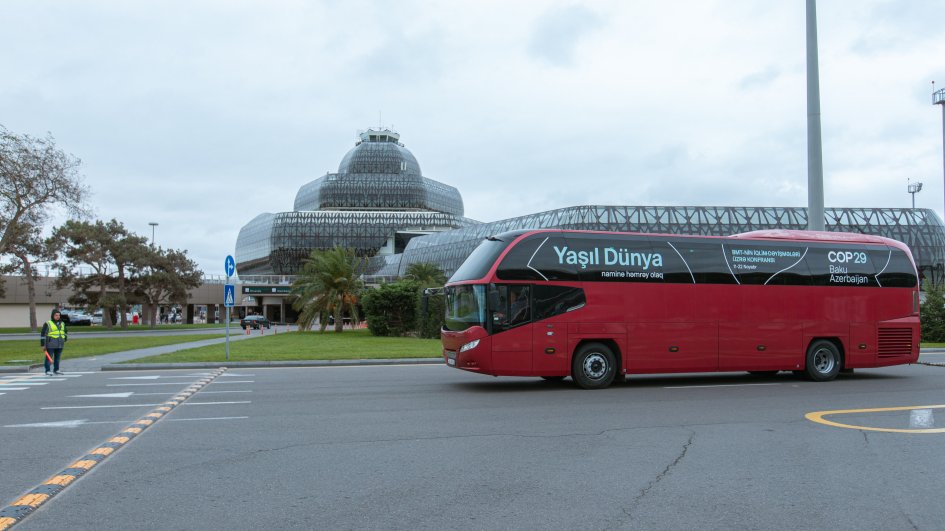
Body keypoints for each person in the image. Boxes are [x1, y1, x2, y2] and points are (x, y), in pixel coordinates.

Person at [40, 308, 68, 376]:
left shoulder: (62, 323)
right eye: (56, 315)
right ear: (53, 315)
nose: (58, 316)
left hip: (60, 343)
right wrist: (43, 344)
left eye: (59, 315)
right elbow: (43, 334)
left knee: (57, 358)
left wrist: (65, 338)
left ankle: (56, 370)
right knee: (49, 358)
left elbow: (65, 332)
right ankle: (47, 370)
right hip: (50, 344)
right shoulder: (48, 323)